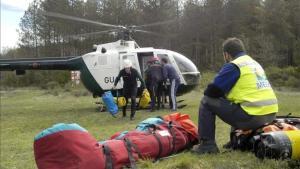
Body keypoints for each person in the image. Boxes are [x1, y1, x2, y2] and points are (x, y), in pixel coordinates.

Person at [191, 37, 278, 154]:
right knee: (235, 102)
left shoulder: (234, 65)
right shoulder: (255, 64)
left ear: (226, 54)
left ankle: (207, 145)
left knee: (206, 101)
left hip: (252, 117)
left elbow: (211, 91)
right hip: (270, 116)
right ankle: (234, 141)